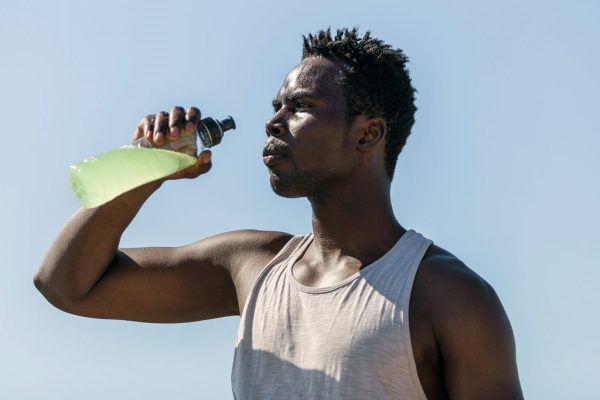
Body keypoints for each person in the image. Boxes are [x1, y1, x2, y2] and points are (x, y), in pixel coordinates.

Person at [34, 28, 524, 399]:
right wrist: (141, 170)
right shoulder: (252, 265)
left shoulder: (449, 297)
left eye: (301, 106)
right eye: (276, 105)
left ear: (368, 134)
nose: (273, 121)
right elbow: (66, 284)